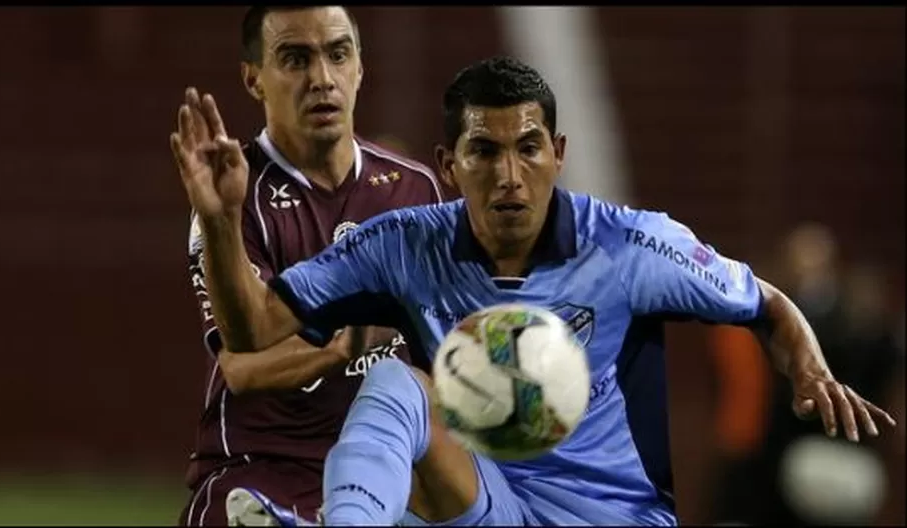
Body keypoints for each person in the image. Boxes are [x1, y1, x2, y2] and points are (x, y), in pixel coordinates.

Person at [169, 56, 896, 526]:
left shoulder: (631, 247)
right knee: (395, 382)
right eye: (484, 151)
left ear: (559, 154)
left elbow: (765, 300)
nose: (510, 175)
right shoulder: (404, 245)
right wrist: (222, 221)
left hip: (612, 517)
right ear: (448, 167)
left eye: (529, 147)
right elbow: (254, 332)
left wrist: (810, 369)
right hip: (490, 506)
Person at [176, 6, 442, 526]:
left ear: (359, 68)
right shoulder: (232, 198)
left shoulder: (416, 190)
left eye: (337, 55)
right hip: (264, 467)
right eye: (295, 59)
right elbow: (242, 366)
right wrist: (346, 344)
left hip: (387, 465)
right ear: (254, 79)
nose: (322, 79)